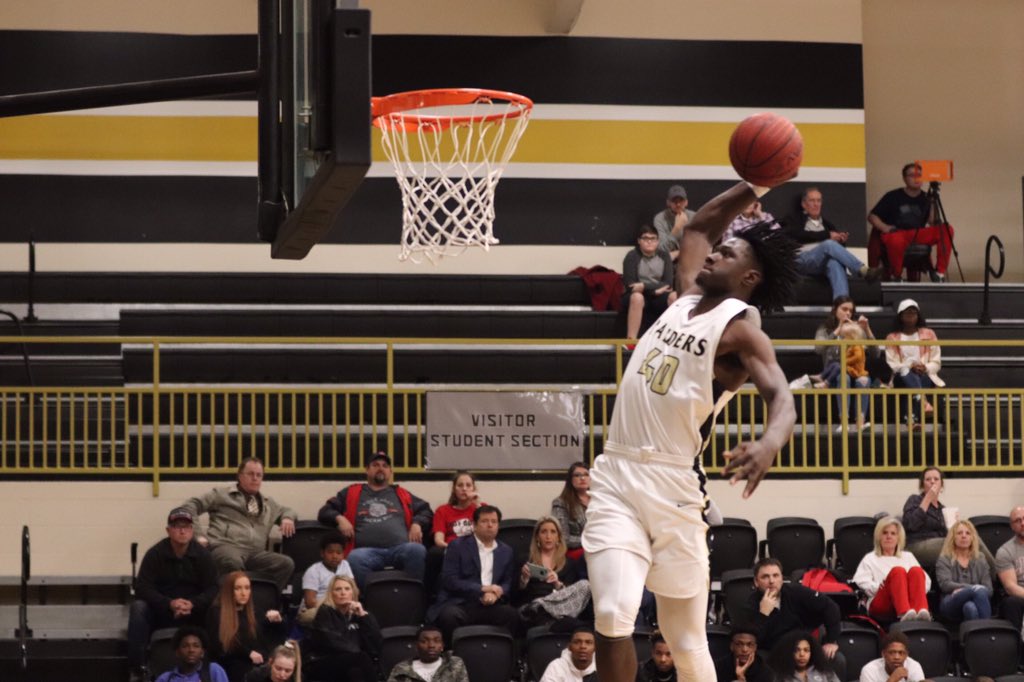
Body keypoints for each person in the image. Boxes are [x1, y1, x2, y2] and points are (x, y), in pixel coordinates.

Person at [583, 179, 800, 682]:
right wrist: (757, 184)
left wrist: (770, 441)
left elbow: (782, 398)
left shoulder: (741, 328)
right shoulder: (686, 296)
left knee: (684, 641)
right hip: (616, 473)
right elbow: (702, 223)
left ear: (748, 276)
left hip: (675, 487)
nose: (712, 252)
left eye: (726, 253)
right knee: (613, 615)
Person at [317, 452, 433, 588]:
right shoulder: (351, 492)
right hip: (365, 552)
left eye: (385, 465)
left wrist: (417, 523)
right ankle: (367, 602)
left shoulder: (402, 494)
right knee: (355, 558)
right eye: (375, 465)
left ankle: (412, 596)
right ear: (367, 470)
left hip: (400, 549)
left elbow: (426, 511)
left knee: (417, 550)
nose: (380, 468)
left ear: (390, 472)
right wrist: (340, 518)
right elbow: (325, 511)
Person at [180, 457, 296, 592]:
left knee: (285, 564)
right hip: (225, 547)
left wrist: (287, 518)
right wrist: (198, 535)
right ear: (240, 476)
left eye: (259, 475)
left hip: (255, 553)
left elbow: (288, 510)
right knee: (231, 560)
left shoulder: (268, 503)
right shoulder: (221, 494)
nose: (255, 478)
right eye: (250, 474)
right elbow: (189, 506)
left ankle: (264, 601)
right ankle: (232, 605)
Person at [129, 508, 218, 677]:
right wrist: (169, 604)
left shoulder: (203, 555)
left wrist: (193, 604)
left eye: (186, 526)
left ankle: (213, 665)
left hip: (194, 613)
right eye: (177, 526)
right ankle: (137, 668)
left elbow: (213, 588)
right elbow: (142, 588)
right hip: (161, 612)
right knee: (138, 608)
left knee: (217, 610)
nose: (182, 530)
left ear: (192, 530)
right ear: (168, 530)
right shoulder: (154, 554)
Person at [429, 504, 519, 645]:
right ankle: (454, 657)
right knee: (449, 616)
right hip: (462, 603)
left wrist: (496, 594)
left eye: (494, 522)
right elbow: (449, 580)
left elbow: (507, 582)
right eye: (484, 521)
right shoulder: (457, 546)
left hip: (491, 604)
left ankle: (501, 655)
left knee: (511, 615)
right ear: (474, 525)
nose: (490, 525)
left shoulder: (506, 551)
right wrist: (482, 589)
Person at [781, 187, 882, 300]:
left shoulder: (827, 224)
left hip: (819, 264)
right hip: (801, 260)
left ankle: (841, 304)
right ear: (804, 204)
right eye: (812, 200)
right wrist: (827, 236)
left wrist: (840, 241)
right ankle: (862, 270)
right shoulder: (794, 218)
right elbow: (793, 234)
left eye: (818, 201)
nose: (816, 204)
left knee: (834, 263)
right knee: (828, 244)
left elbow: (838, 251)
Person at [741, 558, 841, 661]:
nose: (771, 581)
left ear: (782, 578)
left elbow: (830, 607)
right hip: (774, 653)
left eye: (776, 576)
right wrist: (763, 614)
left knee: (837, 659)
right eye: (765, 577)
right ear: (756, 582)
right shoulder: (750, 605)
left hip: (801, 647)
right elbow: (749, 643)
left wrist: (831, 641)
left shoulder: (795, 592)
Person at [867, 162, 952, 282]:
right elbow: (872, 216)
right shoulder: (892, 196)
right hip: (898, 234)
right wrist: (885, 227)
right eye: (912, 175)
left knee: (947, 229)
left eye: (919, 175)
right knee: (894, 239)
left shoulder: (926, 197)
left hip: (918, 234)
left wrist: (932, 201)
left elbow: (933, 222)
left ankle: (940, 272)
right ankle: (896, 275)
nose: (916, 178)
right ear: (904, 178)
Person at [206, 571, 284, 682]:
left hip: (256, 662)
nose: (243, 593)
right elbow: (220, 646)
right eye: (237, 588)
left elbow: (269, 638)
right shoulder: (216, 612)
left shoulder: (254, 611)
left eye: (247, 588)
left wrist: (278, 622)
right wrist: (248, 653)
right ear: (229, 591)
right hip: (231, 663)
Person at [852, 517, 931, 622]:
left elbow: (926, 581)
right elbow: (859, 581)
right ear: (878, 537)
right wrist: (878, 587)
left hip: (910, 603)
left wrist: (909, 591)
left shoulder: (908, 556)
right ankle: (903, 613)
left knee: (916, 570)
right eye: (885, 533)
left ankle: (921, 612)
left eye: (893, 533)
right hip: (881, 602)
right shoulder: (870, 558)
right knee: (898, 571)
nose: (889, 536)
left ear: (898, 538)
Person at [516, 516, 590, 628]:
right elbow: (514, 596)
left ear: (559, 538)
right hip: (531, 605)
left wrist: (557, 584)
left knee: (585, 585)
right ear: (537, 537)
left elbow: (572, 596)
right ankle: (539, 608)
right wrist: (524, 580)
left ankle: (541, 607)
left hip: (560, 607)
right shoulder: (525, 560)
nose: (548, 537)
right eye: (543, 532)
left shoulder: (569, 564)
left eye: (553, 532)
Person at [306, 575, 382, 682]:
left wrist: (364, 616)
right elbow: (332, 642)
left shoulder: (360, 615)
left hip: (353, 664)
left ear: (353, 593)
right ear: (331, 593)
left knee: (356, 674)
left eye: (347, 589)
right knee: (362, 659)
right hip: (325, 663)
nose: (343, 593)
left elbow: (376, 645)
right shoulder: (325, 612)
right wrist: (358, 654)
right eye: (338, 589)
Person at [885, 299, 944, 428]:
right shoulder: (892, 337)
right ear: (900, 315)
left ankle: (912, 422)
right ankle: (923, 401)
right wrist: (910, 365)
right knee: (906, 372)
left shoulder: (929, 334)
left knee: (912, 387)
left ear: (918, 315)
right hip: (901, 376)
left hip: (924, 375)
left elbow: (936, 360)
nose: (911, 315)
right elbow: (893, 363)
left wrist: (925, 367)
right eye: (907, 312)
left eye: (913, 312)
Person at [623, 225, 677, 341]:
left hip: (658, 295)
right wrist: (653, 290)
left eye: (653, 239)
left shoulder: (664, 255)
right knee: (637, 297)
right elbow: (630, 285)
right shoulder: (632, 256)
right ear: (639, 241)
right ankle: (631, 340)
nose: (649, 242)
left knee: (674, 296)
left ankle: (671, 340)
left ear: (657, 241)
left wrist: (643, 286)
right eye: (645, 238)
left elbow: (668, 283)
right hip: (640, 295)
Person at [935, 519, 993, 622]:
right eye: (959, 533)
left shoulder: (980, 558)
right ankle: (988, 630)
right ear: (953, 538)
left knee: (970, 608)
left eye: (968, 533)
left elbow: (989, 589)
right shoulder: (944, 558)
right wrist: (972, 589)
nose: (964, 536)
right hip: (951, 602)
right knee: (978, 591)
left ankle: (977, 636)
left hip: (975, 602)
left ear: (972, 538)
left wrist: (967, 590)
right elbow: (945, 585)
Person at [297, 530, 354, 626]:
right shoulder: (313, 571)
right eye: (330, 552)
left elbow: (354, 590)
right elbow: (310, 602)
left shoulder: (345, 565)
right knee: (312, 616)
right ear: (322, 553)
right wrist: (336, 607)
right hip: (317, 608)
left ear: (343, 554)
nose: (335, 556)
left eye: (338, 553)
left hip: (341, 606)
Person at [386, 624, 470, 682]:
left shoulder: (455, 664)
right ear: (416, 646)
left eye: (436, 641)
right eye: (424, 641)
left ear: (442, 646)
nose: (431, 645)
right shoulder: (401, 669)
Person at [155, 625, 229, 682]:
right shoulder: (166, 678)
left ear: (202, 652)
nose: (191, 650)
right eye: (185, 646)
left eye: (196, 646)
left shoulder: (213, 670)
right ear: (177, 652)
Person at [432, 470, 482, 549]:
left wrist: (477, 504)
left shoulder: (482, 508)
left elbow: (488, 534)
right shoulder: (442, 511)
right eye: (460, 485)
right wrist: (453, 549)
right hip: (452, 550)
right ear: (454, 489)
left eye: (468, 485)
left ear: (473, 489)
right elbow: (438, 540)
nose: (464, 489)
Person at [551, 462, 591, 559]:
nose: (582, 478)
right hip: (576, 552)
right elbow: (563, 538)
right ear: (570, 480)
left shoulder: (600, 500)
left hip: (599, 548)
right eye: (577, 475)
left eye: (586, 474)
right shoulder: (561, 503)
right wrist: (591, 541)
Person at [766, 630, 841, 682]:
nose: (802, 654)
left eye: (806, 650)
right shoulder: (779, 676)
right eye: (796, 650)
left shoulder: (823, 670)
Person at [994, 506, 1024, 628]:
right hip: (1021, 596)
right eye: (1018, 520)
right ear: (1012, 526)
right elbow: (1011, 587)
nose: (1023, 523)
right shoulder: (1005, 551)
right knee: (1012, 602)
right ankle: (1017, 646)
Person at [857, 632, 925, 682]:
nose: (897, 657)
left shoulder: (914, 667)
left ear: (906, 655)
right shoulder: (869, 670)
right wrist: (892, 680)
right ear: (883, 654)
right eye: (892, 652)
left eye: (901, 653)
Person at [652, 184, 695, 260]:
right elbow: (662, 249)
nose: (678, 204)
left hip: (690, 259)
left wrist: (678, 253)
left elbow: (698, 245)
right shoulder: (660, 218)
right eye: (674, 201)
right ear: (668, 203)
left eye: (681, 201)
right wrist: (676, 229)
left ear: (686, 202)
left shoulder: (694, 217)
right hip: (668, 261)